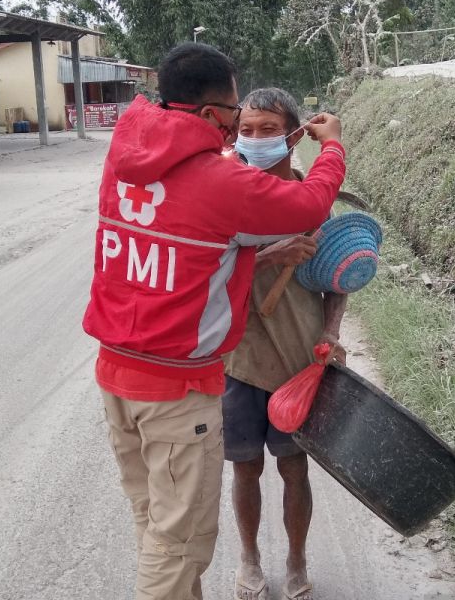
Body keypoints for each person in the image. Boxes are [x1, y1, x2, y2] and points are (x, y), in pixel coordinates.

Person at [83, 43, 347, 600]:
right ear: (209, 115)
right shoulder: (224, 184)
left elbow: (211, 249)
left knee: (158, 527)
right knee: (179, 545)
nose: (241, 133)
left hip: (117, 374)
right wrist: (336, 146)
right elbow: (310, 205)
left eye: (263, 126)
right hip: (178, 388)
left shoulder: (123, 156)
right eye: (236, 118)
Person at [224, 88, 348, 600]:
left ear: (293, 136)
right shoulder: (225, 197)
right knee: (245, 465)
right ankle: (249, 557)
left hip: (298, 364)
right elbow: (205, 268)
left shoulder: (310, 199)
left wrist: (330, 332)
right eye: (245, 131)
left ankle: (297, 557)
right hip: (238, 361)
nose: (254, 140)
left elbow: (340, 276)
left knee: (294, 468)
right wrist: (269, 256)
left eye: (268, 130)